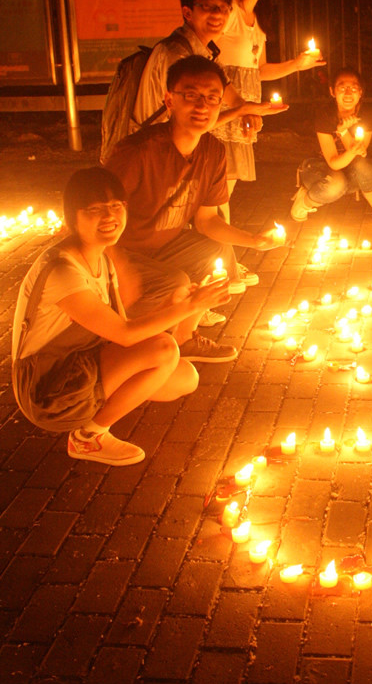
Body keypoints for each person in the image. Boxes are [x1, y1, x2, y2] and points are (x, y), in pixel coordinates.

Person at [11, 168, 228, 466]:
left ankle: (101, 405)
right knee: (164, 351)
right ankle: (89, 437)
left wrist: (179, 302)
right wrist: (190, 308)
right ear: (71, 218)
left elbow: (122, 330)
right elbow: (125, 334)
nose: (110, 217)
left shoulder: (101, 258)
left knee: (184, 378)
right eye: (95, 210)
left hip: (80, 360)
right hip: (48, 390)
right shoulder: (63, 271)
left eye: (116, 207)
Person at [106, 55, 286, 362]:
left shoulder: (212, 151)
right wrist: (119, 263)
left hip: (163, 246)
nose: (202, 106)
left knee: (217, 252)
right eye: (190, 95)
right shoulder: (136, 152)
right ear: (169, 100)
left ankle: (185, 338)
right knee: (174, 283)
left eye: (212, 98)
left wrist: (254, 241)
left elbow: (206, 221)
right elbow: (92, 215)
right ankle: (126, 341)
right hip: (122, 251)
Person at [213, 0, 325, 208]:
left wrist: (298, 64)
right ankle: (213, 239)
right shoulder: (228, 11)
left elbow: (258, 71)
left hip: (244, 109)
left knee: (226, 185)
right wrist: (239, 105)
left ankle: (217, 239)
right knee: (215, 182)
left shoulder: (258, 20)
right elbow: (209, 61)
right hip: (223, 105)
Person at [290, 67, 372, 226]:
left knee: (366, 164)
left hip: (347, 166)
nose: (348, 93)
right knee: (336, 185)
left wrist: (343, 132)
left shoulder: (366, 113)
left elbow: (359, 154)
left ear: (361, 92)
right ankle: (305, 201)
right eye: (342, 88)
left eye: (353, 88)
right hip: (318, 167)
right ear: (332, 91)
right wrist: (343, 134)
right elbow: (334, 162)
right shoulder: (325, 115)